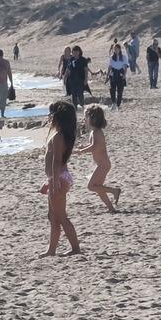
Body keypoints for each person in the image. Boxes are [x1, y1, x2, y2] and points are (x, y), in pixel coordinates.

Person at [42, 100, 82, 256]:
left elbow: (56, 160)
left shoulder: (59, 136)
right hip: (57, 177)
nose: (49, 117)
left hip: (59, 177)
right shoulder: (60, 135)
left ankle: (75, 248)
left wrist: (53, 181)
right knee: (53, 216)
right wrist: (49, 181)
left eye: (51, 115)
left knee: (61, 217)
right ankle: (51, 250)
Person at [82, 104, 121, 212]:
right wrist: (83, 147)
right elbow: (94, 146)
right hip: (101, 164)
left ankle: (114, 191)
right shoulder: (93, 132)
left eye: (86, 117)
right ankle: (111, 208)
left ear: (92, 118)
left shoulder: (96, 132)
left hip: (103, 165)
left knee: (91, 186)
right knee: (98, 187)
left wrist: (81, 151)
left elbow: (93, 147)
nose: (84, 119)